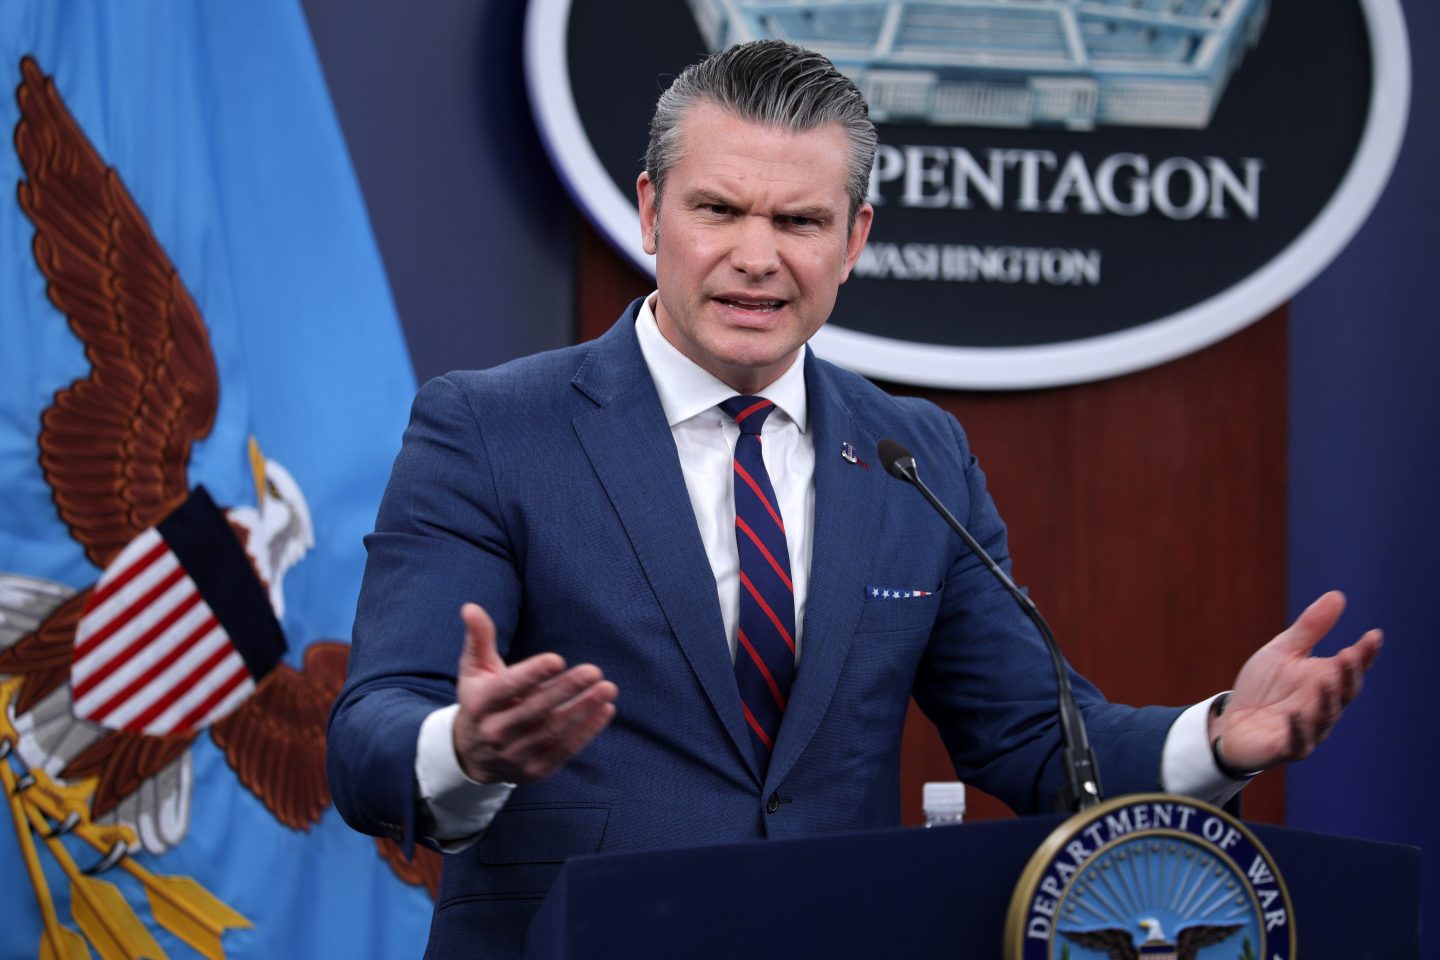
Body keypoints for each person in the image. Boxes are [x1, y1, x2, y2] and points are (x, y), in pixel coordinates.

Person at [326, 40, 1380, 959]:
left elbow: (1036, 737)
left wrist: (1221, 739)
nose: (757, 255)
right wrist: (461, 750)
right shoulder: (489, 428)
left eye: (799, 219)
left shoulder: (913, 452)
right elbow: (366, 738)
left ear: (854, 239)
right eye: (719, 209)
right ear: (651, 211)